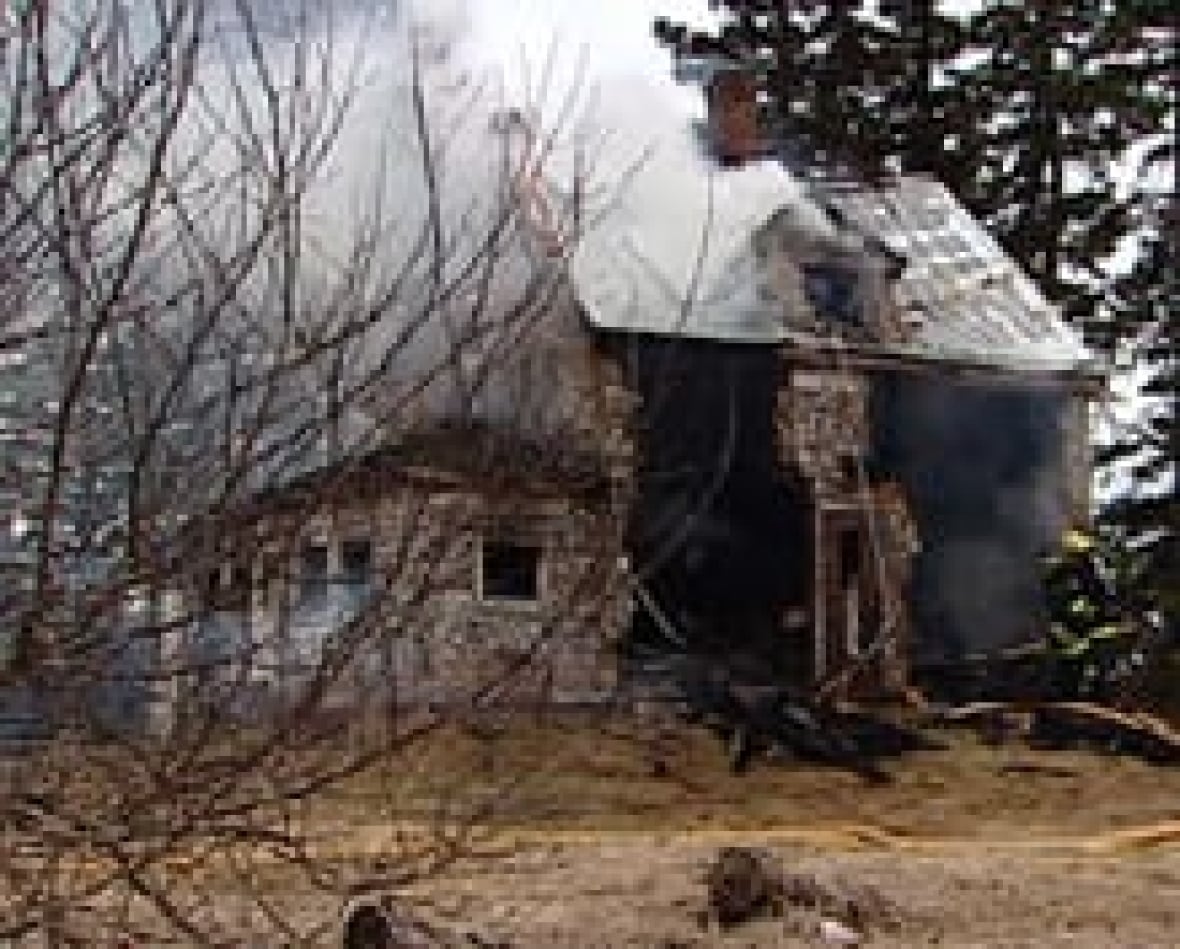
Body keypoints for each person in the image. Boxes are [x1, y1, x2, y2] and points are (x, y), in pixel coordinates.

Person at [1039, 527, 1129, 700]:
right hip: (1080, 638)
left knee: (1086, 670)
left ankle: (1090, 696)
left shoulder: (1085, 573)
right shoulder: (1065, 577)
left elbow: (1103, 599)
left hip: (1090, 636)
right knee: (1074, 671)